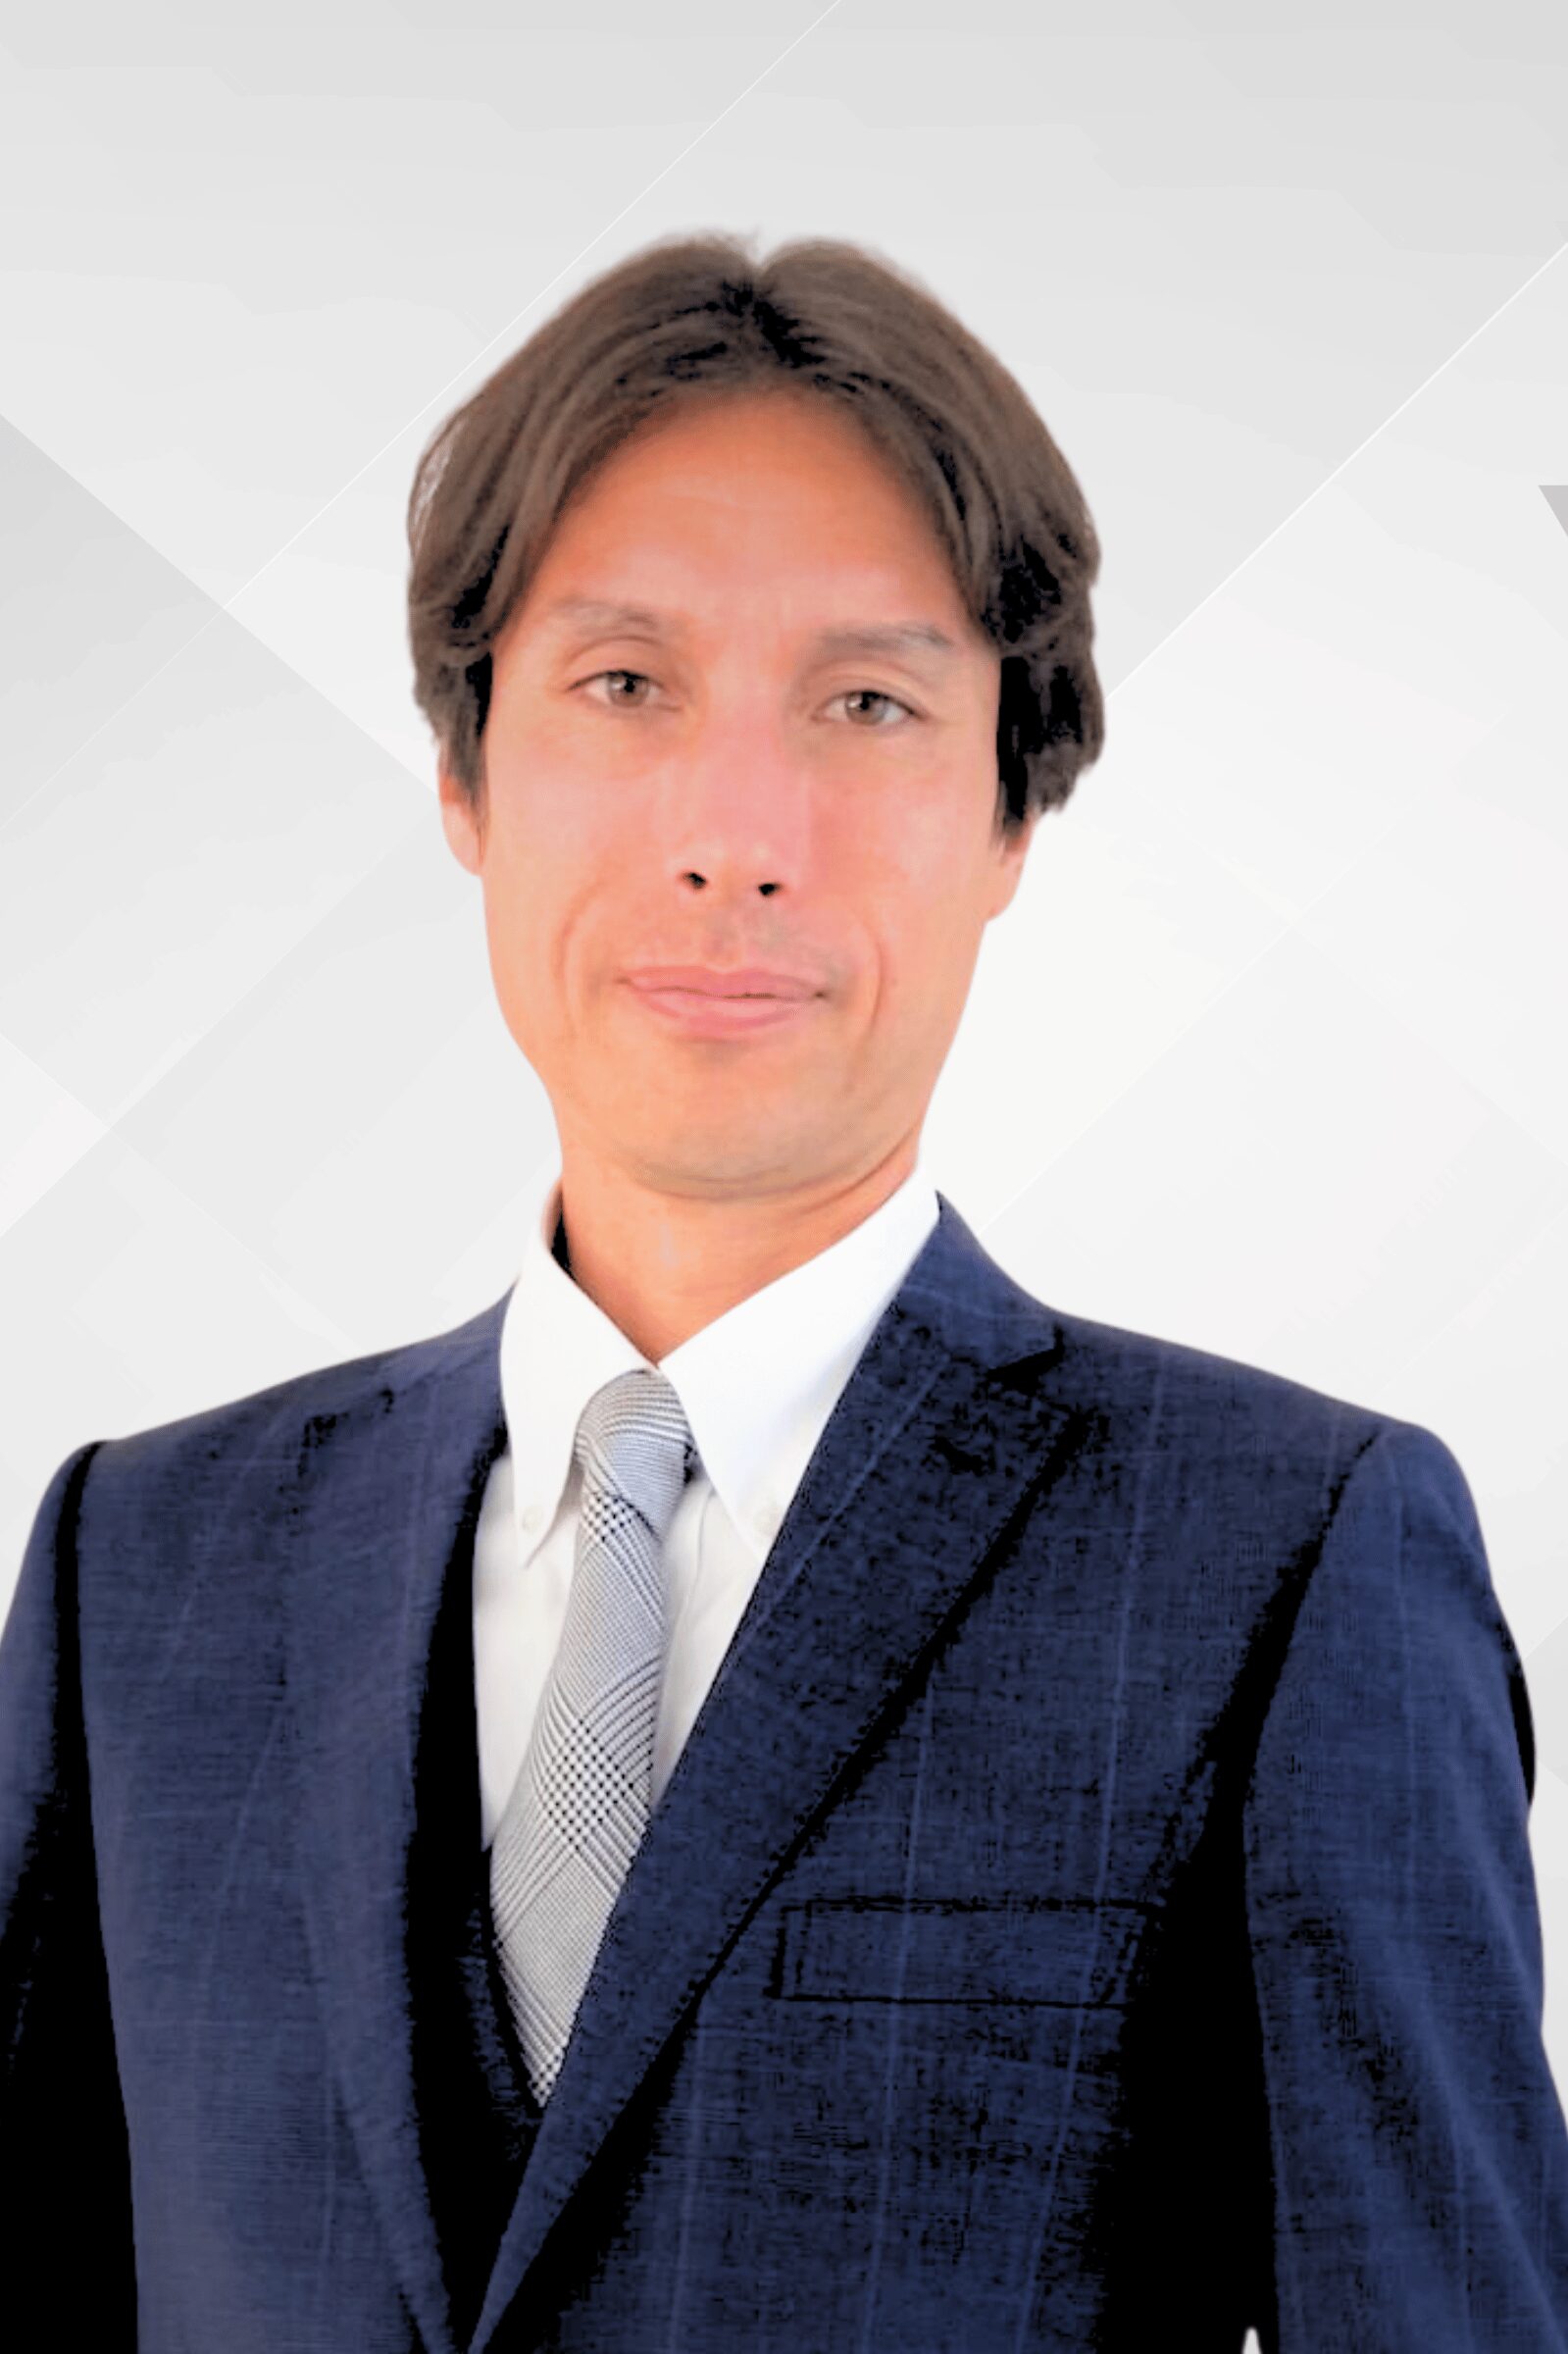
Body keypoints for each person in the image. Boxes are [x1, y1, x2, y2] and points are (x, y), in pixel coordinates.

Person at [3, 229, 1566, 2354]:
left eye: (866, 704)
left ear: (1009, 817)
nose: (735, 834)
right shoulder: (141, 1570)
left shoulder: (1286, 1564)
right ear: (464, 776)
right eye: (623, 686)